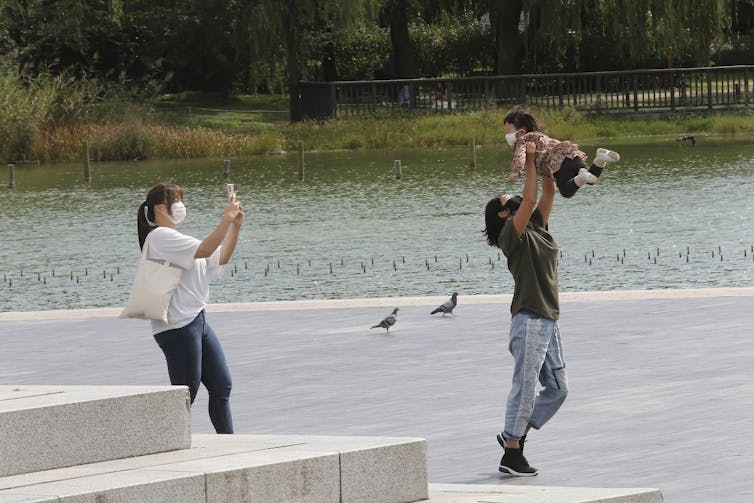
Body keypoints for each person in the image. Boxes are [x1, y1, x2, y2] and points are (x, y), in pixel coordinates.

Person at [483, 142, 568, 476]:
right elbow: (530, 198)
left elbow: (546, 193)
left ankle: (513, 435)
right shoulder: (511, 235)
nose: (514, 198)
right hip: (530, 318)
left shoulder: (536, 227)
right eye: (507, 201)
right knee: (525, 385)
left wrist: (546, 163)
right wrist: (529, 158)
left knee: (559, 389)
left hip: (549, 318)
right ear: (504, 215)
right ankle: (512, 455)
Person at [136, 182, 243, 434]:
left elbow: (219, 257)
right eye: (177, 201)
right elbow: (205, 248)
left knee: (221, 386)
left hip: (197, 320)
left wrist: (235, 227)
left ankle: (227, 443)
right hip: (177, 328)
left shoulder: (180, 240)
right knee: (186, 394)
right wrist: (225, 219)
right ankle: (164, 441)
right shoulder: (159, 238)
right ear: (161, 208)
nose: (181, 206)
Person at [504, 109, 620, 198]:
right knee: (592, 178)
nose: (506, 135)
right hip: (569, 153)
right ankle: (600, 159)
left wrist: (516, 171)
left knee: (566, 191)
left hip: (557, 163)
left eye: (507, 131)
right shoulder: (539, 136)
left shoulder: (523, 140)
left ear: (521, 131)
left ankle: (582, 175)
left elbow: (520, 155)